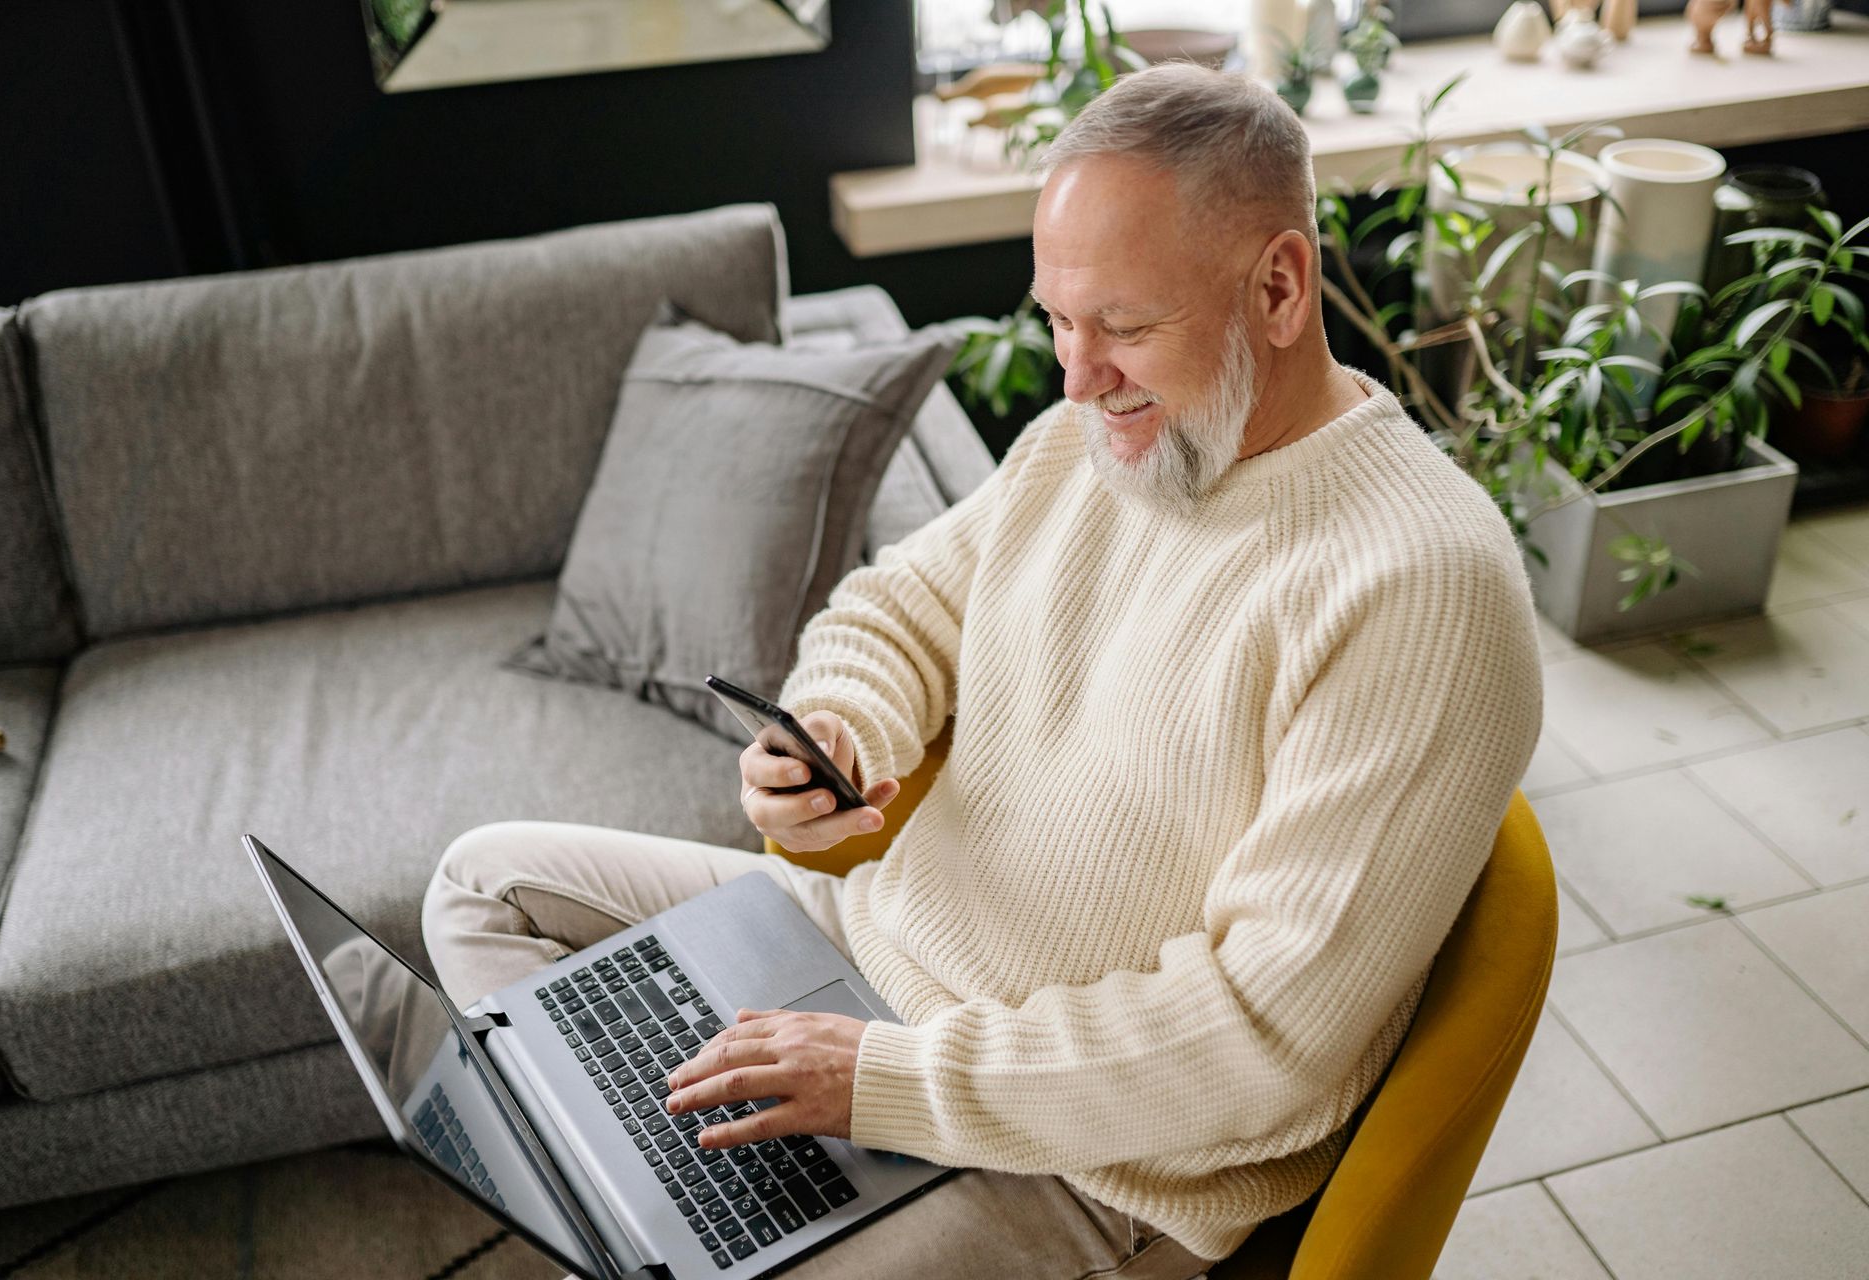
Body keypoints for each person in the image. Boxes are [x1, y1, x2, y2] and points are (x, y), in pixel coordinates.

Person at [422, 63, 1543, 1278]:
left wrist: (880, 1081)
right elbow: (897, 605)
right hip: (861, 952)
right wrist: (843, 723)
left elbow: (1260, 1040)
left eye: (1123, 325)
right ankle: (668, 1211)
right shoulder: (1089, 444)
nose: (1076, 376)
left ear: (1277, 285)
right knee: (485, 884)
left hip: (1087, 1168)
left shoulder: (1425, 583)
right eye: (1059, 319)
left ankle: (683, 1219)